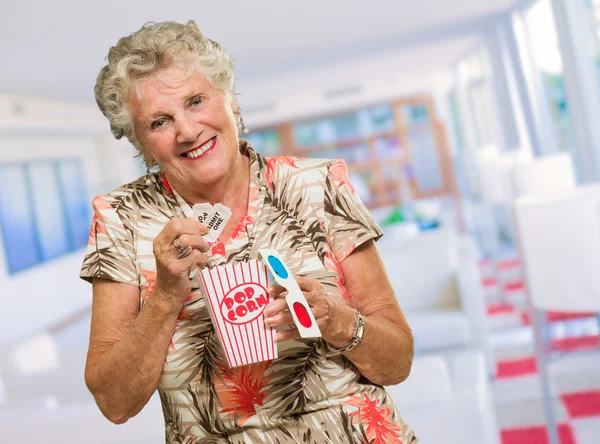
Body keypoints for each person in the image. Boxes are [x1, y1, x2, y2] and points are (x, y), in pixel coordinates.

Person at [81, 20, 417, 444]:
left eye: (196, 100)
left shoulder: (316, 185)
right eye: (159, 122)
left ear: (231, 102)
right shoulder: (120, 217)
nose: (186, 130)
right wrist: (166, 295)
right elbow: (115, 404)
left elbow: (398, 363)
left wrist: (334, 318)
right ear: (140, 144)